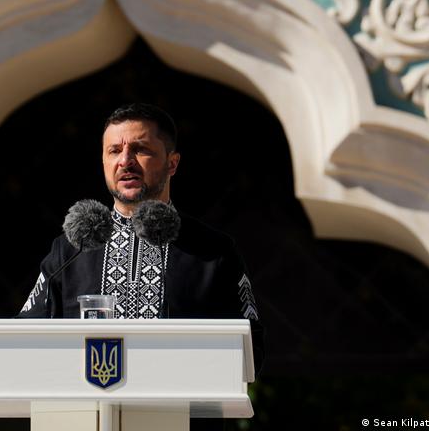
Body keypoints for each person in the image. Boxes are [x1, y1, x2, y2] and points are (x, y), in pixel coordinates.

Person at [16, 103, 265, 373]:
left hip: (182, 414)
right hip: (84, 414)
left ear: (172, 163)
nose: (125, 161)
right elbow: (22, 342)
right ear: (103, 161)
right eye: (114, 151)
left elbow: (250, 351)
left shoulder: (212, 251)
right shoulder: (70, 250)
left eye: (140, 149)